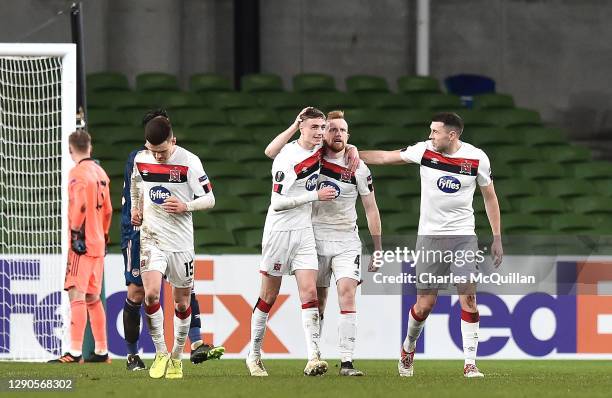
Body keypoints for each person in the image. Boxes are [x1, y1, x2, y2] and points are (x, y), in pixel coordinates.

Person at [359, 112, 503, 378]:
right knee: (425, 304)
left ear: (452, 134)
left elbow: (490, 197)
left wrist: (497, 237)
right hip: (429, 238)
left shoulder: (477, 158)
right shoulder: (423, 151)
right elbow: (385, 157)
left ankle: (470, 363)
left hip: (463, 237)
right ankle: (408, 349)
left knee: (468, 298)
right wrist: (351, 153)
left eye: (434, 131)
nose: (430, 135)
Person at [264, 110, 382, 376]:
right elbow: (273, 151)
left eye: (343, 131)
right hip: (314, 236)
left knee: (347, 293)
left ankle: (347, 361)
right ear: (323, 134)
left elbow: (371, 209)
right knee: (318, 300)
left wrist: (378, 248)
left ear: (348, 135)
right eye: (332, 130)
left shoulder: (358, 167)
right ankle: (314, 357)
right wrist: (295, 124)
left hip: (346, 240)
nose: (337, 134)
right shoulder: (313, 158)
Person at [121, 109, 224, 371]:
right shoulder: (141, 159)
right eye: (153, 151)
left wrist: (185, 206)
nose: (158, 156)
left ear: (173, 141)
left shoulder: (189, 161)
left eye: (163, 152)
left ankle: (177, 356)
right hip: (151, 238)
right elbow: (135, 184)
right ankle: (160, 353)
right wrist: (136, 209)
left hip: (180, 242)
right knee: (151, 295)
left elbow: (210, 199)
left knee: (182, 302)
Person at [246, 107, 336, 377]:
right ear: (301, 128)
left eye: (322, 127)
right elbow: (277, 203)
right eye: (314, 127)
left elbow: (268, 149)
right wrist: (314, 197)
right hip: (279, 234)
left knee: (309, 294)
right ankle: (254, 355)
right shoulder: (288, 159)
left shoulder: (319, 150)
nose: (320, 132)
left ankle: (314, 357)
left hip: (304, 232)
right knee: (268, 296)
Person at [49, 130, 112, 364]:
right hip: (98, 243)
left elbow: (80, 205)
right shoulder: (101, 173)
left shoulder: (77, 173)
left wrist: (76, 233)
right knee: (93, 298)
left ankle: (74, 353)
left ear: (70, 149)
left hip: (82, 244)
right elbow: (108, 210)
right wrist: (104, 235)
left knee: (76, 294)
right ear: (90, 147)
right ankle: (102, 350)